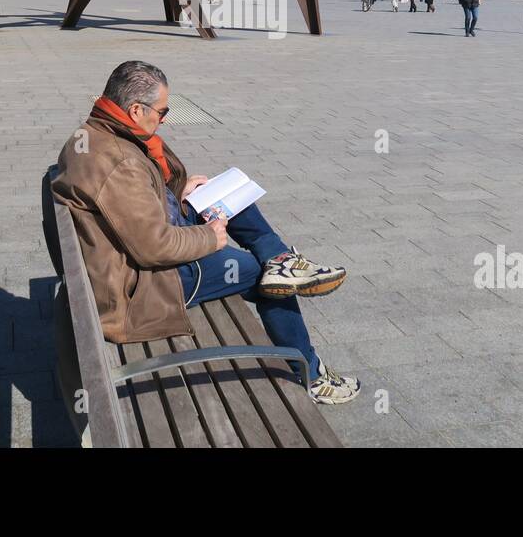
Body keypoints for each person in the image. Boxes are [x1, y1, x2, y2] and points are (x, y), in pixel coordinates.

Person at [51, 61, 359, 404]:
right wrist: (210, 237)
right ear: (136, 109)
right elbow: (153, 246)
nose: (164, 119)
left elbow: (132, 206)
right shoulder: (120, 160)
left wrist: (177, 191)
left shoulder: (100, 131)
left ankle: (281, 258)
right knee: (264, 278)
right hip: (141, 287)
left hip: (132, 258)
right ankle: (311, 376)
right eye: (162, 112)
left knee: (230, 199)